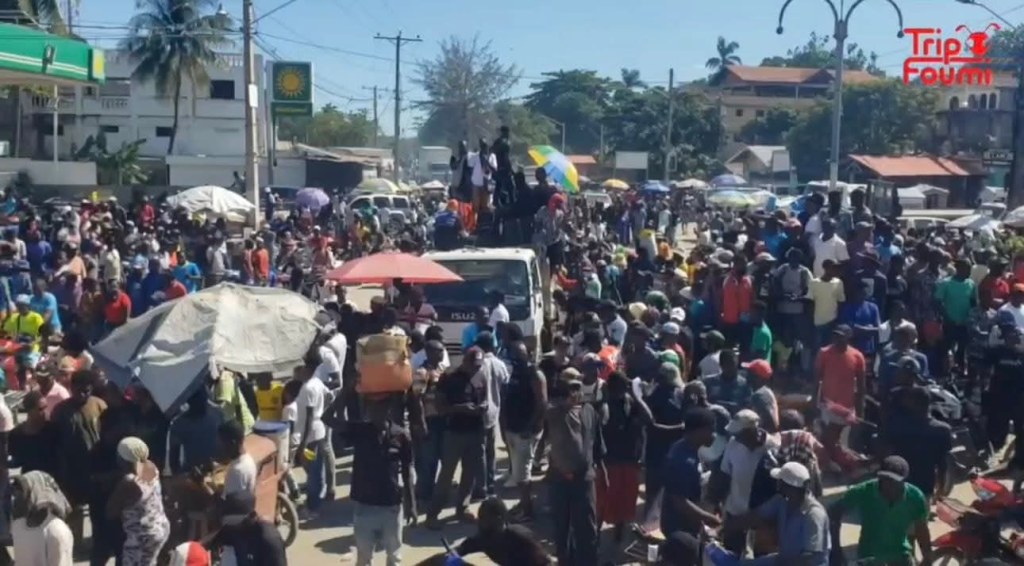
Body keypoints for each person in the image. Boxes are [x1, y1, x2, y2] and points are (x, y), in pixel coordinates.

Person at [706, 462, 829, 566]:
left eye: (780, 482)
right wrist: (718, 529)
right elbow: (752, 517)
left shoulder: (814, 515)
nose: (777, 485)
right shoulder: (781, 501)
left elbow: (810, 558)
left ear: (787, 486)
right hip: (783, 560)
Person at [544, 373, 605, 566]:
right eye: (570, 388)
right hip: (559, 479)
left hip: (584, 479)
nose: (575, 392)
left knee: (587, 528)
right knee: (561, 527)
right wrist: (565, 404)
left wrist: (602, 469)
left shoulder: (589, 411)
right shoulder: (554, 411)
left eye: (578, 387)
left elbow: (597, 445)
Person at [829, 456, 933, 566]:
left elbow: (922, 530)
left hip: (900, 555)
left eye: (892, 480)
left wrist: (927, 558)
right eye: (883, 479)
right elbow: (833, 512)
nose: (886, 484)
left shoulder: (915, 497)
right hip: (870, 557)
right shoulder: (864, 491)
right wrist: (836, 550)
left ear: (903, 480)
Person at [349, 394, 415, 566]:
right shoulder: (360, 432)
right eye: (373, 408)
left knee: (394, 556)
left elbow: (407, 470)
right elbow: (328, 419)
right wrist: (346, 392)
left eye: (381, 407)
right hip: (365, 505)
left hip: (391, 505)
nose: (377, 412)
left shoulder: (401, 435)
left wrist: (411, 503)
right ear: (368, 410)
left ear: (389, 409)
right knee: (364, 558)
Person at [427, 348, 487, 529]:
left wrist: (481, 407)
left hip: (475, 431)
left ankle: (462, 508)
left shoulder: (480, 376)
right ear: (465, 361)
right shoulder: (449, 377)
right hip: (454, 432)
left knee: (470, 473)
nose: (476, 369)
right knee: (447, 475)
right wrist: (461, 408)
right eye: (473, 365)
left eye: (479, 365)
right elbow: (439, 406)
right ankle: (433, 514)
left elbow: (485, 399)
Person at [712, 410, 780, 557]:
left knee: (762, 555)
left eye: (739, 433)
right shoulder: (733, 444)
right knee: (731, 553)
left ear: (751, 430)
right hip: (735, 510)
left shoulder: (772, 446)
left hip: (761, 515)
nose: (735, 437)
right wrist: (718, 501)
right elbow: (724, 474)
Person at [50, 370, 106, 544]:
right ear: (72, 388)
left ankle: (99, 542)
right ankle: (74, 543)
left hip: (97, 467)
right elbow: (55, 442)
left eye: (88, 391)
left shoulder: (100, 405)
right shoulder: (60, 411)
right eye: (81, 390)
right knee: (73, 509)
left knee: (98, 509)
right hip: (71, 468)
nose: (84, 394)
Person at [660, 408, 720, 563]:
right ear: (699, 431)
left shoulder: (685, 449)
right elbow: (680, 501)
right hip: (679, 526)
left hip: (685, 522)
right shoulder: (683, 460)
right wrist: (707, 518)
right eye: (711, 430)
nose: (714, 435)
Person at [106, 437, 170, 566]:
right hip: (159, 528)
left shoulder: (129, 483)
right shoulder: (151, 467)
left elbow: (110, 512)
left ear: (124, 459)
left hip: (141, 538)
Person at [500, 341, 546, 520]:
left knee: (522, 474)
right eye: (513, 353)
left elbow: (542, 402)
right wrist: (503, 427)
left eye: (519, 354)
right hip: (511, 428)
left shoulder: (534, 373)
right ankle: (523, 504)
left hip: (526, 431)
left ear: (527, 354)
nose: (516, 357)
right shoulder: (510, 372)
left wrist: (530, 427)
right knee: (518, 472)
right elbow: (505, 399)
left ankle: (528, 512)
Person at [883, 385, 952, 501]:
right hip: (925, 488)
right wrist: (941, 487)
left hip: (899, 484)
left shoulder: (899, 427)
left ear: (911, 403)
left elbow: (888, 455)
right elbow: (942, 463)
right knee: (921, 517)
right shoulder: (942, 429)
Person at [447, 497, 550, 566]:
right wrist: (450, 557)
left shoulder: (521, 537)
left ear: (499, 518)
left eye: (484, 518)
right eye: (480, 518)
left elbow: (546, 562)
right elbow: (460, 550)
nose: (480, 522)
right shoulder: (484, 537)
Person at [11, 471, 74, 566]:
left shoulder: (56, 531)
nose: (15, 498)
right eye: (14, 492)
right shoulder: (17, 527)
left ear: (35, 493)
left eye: (20, 492)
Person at [294, 358, 330, 518]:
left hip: (311, 436)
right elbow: (329, 397)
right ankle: (317, 500)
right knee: (317, 469)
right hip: (319, 431)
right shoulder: (317, 382)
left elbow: (308, 417)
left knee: (313, 473)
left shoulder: (308, 388)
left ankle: (312, 507)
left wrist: (303, 444)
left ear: (306, 369)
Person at [211, 491, 287, 566]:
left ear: (250, 516)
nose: (230, 525)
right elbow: (211, 542)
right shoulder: (233, 530)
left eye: (233, 521)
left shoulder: (269, 538)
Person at [168, 387, 225, 474]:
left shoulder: (179, 423)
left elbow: (174, 460)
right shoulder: (218, 414)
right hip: (195, 472)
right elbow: (173, 459)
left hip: (214, 469)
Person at [9, 391, 56, 476]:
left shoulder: (52, 430)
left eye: (46, 407)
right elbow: (16, 461)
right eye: (41, 409)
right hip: (31, 482)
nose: (45, 412)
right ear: (29, 411)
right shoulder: (17, 434)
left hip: (52, 482)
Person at [220, 420, 257, 498]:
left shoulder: (236, 471)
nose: (221, 447)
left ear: (232, 443)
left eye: (222, 443)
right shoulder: (248, 459)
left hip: (233, 509)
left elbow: (227, 502)